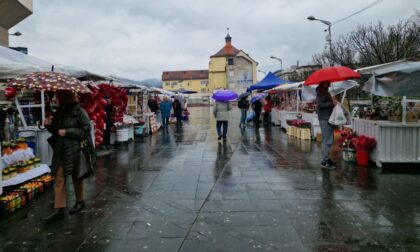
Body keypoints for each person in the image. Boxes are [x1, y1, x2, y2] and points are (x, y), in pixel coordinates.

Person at [42, 90, 92, 221]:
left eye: (57, 97)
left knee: (77, 176)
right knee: (59, 178)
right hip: (61, 150)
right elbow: (56, 131)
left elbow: (86, 130)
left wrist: (68, 132)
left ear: (63, 97)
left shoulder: (79, 111)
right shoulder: (58, 112)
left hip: (75, 150)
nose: (55, 99)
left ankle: (80, 201)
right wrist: (48, 125)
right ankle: (59, 208)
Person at [316, 81, 337, 169]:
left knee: (328, 139)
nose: (329, 85)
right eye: (327, 83)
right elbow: (320, 105)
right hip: (325, 118)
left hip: (326, 118)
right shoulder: (322, 93)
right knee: (327, 140)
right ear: (323, 84)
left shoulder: (323, 92)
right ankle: (324, 161)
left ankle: (326, 159)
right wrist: (332, 104)